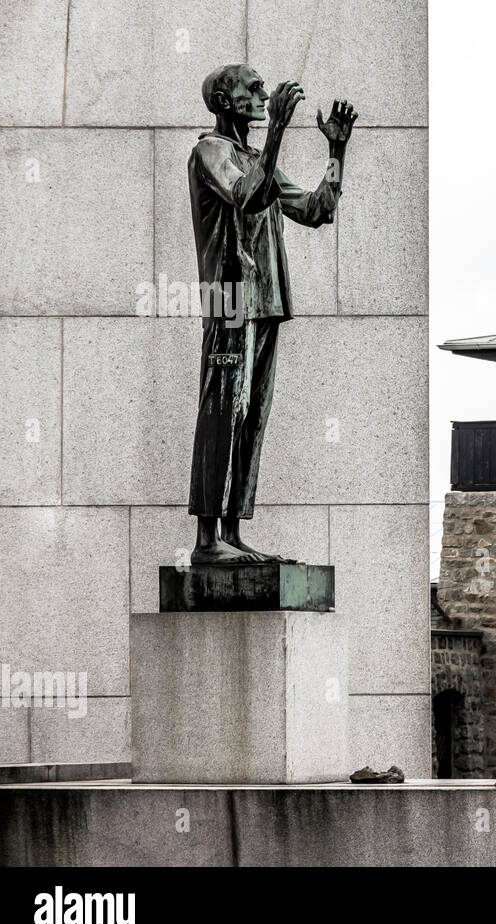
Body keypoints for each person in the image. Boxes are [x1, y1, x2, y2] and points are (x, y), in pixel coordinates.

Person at [186, 63, 357, 564]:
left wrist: (336, 151)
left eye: (264, 91)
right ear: (223, 100)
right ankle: (204, 541)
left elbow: (316, 210)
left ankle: (233, 532)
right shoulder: (210, 151)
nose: (263, 95)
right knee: (221, 413)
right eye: (252, 88)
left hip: (266, 304)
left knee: (251, 417)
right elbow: (248, 196)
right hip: (230, 302)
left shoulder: (253, 156)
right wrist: (279, 129)